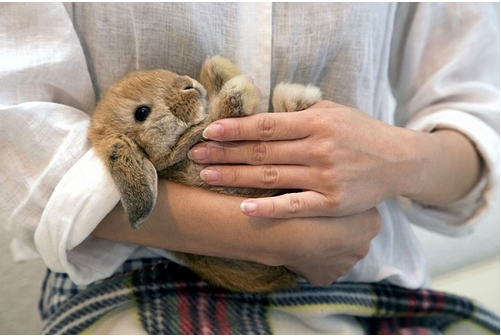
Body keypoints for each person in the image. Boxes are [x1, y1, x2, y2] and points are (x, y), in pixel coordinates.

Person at [1, 2, 499, 334]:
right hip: (138, 278)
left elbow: (474, 117)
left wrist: (395, 159)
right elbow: (22, 146)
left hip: (368, 276)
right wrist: (263, 234)